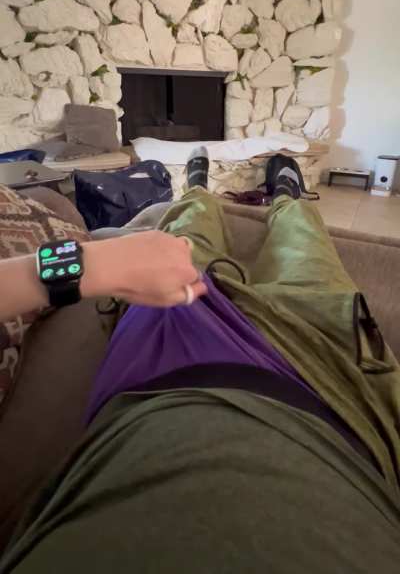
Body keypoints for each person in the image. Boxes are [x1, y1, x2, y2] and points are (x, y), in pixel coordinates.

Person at [0, 150, 400, 573]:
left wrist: (89, 265)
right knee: (305, 240)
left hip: (158, 361)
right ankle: (286, 196)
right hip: (325, 382)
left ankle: (198, 189)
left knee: (186, 231)